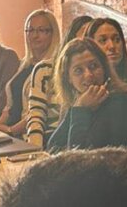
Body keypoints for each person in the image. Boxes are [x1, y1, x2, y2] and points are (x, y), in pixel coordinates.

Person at [47, 37, 127, 153]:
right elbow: (52, 149)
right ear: (69, 79)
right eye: (78, 71)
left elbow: (81, 157)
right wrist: (78, 107)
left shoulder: (121, 102)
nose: (88, 75)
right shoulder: (79, 102)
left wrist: (80, 110)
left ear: (104, 68)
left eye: (93, 66)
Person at [24, 13, 91, 148]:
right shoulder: (45, 69)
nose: (85, 45)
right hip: (50, 140)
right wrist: (35, 150)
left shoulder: (100, 73)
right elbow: (36, 115)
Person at [0, 8, 60, 137]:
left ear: (53, 33)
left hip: (30, 135)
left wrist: (11, 130)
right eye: (30, 30)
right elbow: (10, 106)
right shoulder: (24, 64)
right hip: (10, 132)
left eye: (41, 30)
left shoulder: (52, 68)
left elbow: (40, 111)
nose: (35, 36)